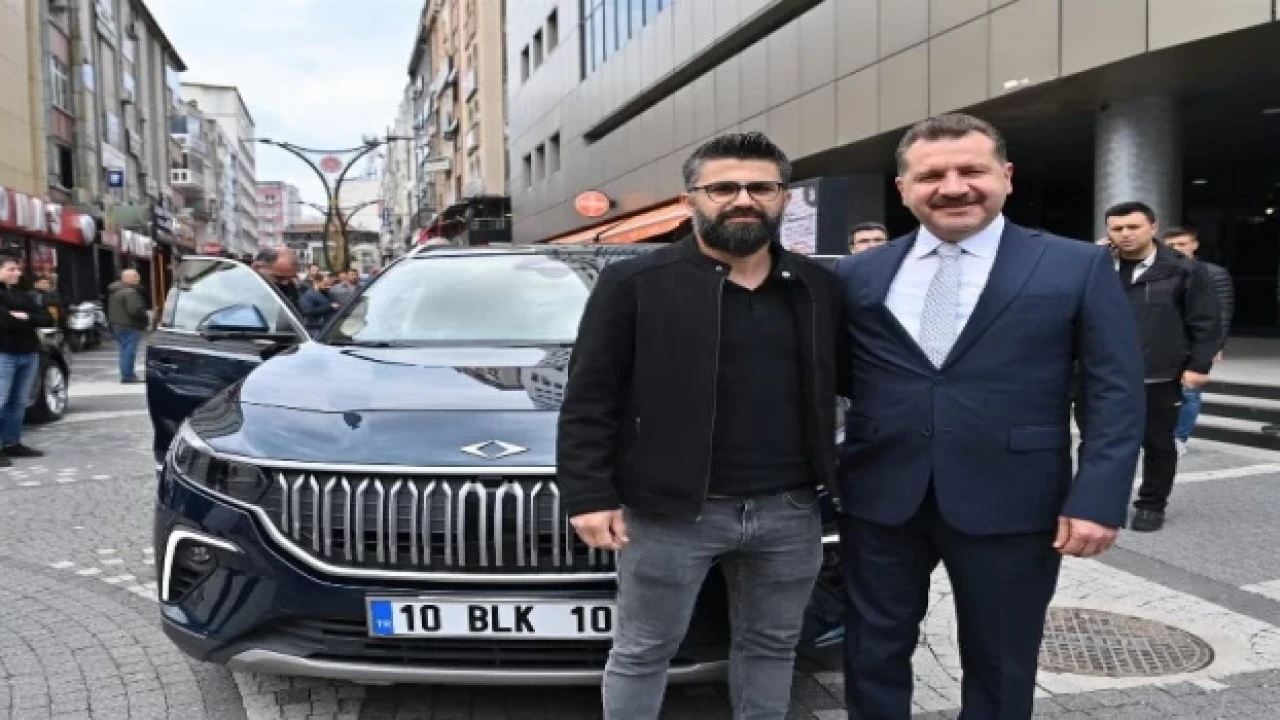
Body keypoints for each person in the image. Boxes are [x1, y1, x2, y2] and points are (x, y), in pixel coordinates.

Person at [833, 113, 1145, 719]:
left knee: (1002, 660)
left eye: (971, 170)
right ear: (903, 189)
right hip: (880, 495)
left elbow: (1114, 390)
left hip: (1013, 498)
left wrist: (1099, 497)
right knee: (871, 651)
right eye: (932, 176)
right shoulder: (858, 273)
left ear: (1006, 177)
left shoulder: (1074, 265)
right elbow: (843, 373)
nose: (953, 187)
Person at [558, 132, 847, 720]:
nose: (743, 199)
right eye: (723, 188)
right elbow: (591, 396)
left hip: (790, 511)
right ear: (691, 197)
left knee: (772, 648)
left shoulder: (817, 286)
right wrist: (589, 494)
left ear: (784, 197)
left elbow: (849, 383)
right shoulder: (634, 283)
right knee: (643, 650)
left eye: (761, 187)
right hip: (669, 514)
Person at [1102, 202, 1221, 531]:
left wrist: (1199, 365)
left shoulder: (1184, 270)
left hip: (1158, 373)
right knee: (1100, 443)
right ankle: (1103, 502)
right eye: (1117, 228)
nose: (1125, 234)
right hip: (1103, 375)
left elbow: (1206, 321)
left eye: (1133, 227)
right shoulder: (1097, 265)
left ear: (1153, 228)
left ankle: (1151, 504)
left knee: (1157, 443)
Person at [1163, 226, 1235, 455]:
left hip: (1196, 343)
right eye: (1171, 245)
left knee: (1189, 392)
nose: (1176, 249)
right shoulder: (1159, 271)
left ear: (1194, 245)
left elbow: (1222, 312)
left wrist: (1216, 345)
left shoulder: (1213, 273)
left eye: (1181, 244)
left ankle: (1179, 438)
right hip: (1163, 343)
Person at [0, 252, 54, 464]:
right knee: (1, 401)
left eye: (18, 269)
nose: (18, 273)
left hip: (28, 353)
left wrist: (26, 316)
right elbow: (6, 322)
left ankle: (12, 443)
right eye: (11, 269)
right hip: (4, 353)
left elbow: (47, 319)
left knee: (19, 402)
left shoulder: (22, 295)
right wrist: (26, 318)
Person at [106, 269, 149, 384]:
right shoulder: (130, 292)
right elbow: (134, 310)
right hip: (130, 325)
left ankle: (127, 374)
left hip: (117, 325)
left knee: (124, 350)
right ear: (127, 278)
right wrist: (145, 318)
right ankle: (128, 376)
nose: (138, 278)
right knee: (129, 351)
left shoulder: (115, 290)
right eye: (135, 276)